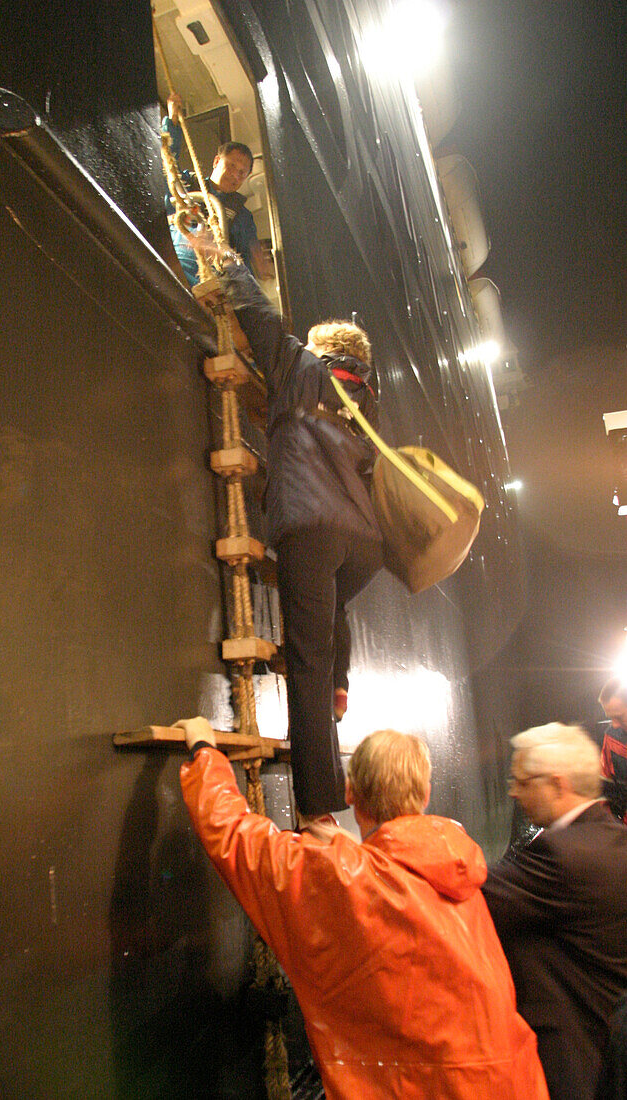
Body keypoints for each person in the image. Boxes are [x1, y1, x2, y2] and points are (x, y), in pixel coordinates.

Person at [174, 716, 549, 1100]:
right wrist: (343, 851)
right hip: (512, 1083)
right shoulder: (461, 875)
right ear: (425, 793)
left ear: (350, 792)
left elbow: (235, 835)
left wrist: (204, 751)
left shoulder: (343, 875)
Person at [216, 261, 393, 831]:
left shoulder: (299, 364)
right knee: (331, 613)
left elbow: (260, 317)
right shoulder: (364, 396)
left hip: (311, 528)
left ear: (321, 347)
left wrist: (227, 264)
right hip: (364, 542)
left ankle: (318, 810)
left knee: (305, 667)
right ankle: (341, 685)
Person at [482, 722, 627, 1100]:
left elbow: (477, 896)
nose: (514, 793)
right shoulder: (615, 840)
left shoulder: (562, 855)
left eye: (522, 782)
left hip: (577, 1066)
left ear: (558, 784)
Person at [161, 93, 272, 286]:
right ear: (216, 161)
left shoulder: (242, 216)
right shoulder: (187, 184)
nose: (235, 176)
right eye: (231, 166)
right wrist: (172, 122)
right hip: (174, 266)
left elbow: (248, 260)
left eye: (242, 173)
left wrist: (261, 269)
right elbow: (166, 163)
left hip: (213, 285)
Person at [598, 676, 627, 820]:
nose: (614, 724)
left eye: (619, 717)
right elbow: (606, 784)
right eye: (611, 718)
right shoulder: (611, 739)